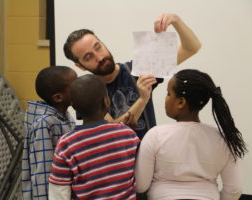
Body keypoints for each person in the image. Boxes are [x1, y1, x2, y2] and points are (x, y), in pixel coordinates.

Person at [63, 13, 201, 140]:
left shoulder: (138, 69)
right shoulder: (86, 91)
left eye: (98, 47)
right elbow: (111, 130)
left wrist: (176, 20)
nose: (99, 57)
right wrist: (142, 99)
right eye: (88, 57)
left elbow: (191, 48)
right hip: (117, 163)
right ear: (80, 66)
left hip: (150, 156)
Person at [135, 69, 248, 200]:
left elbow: (140, 186)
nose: (166, 98)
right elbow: (235, 190)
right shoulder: (222, 138)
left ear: (181, 102)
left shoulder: (156, 135)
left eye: (168, 94)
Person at [48, 74, 140, 200]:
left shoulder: (66, 144)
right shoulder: (128, 134)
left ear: (73, 106)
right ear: (106, 101)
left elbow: (59, 192)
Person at [21, 66, 77, 200]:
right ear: (58, 97)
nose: (81, 87)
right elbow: (43, 173)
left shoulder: (65, 116)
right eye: (76, 85)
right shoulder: (44, 124)